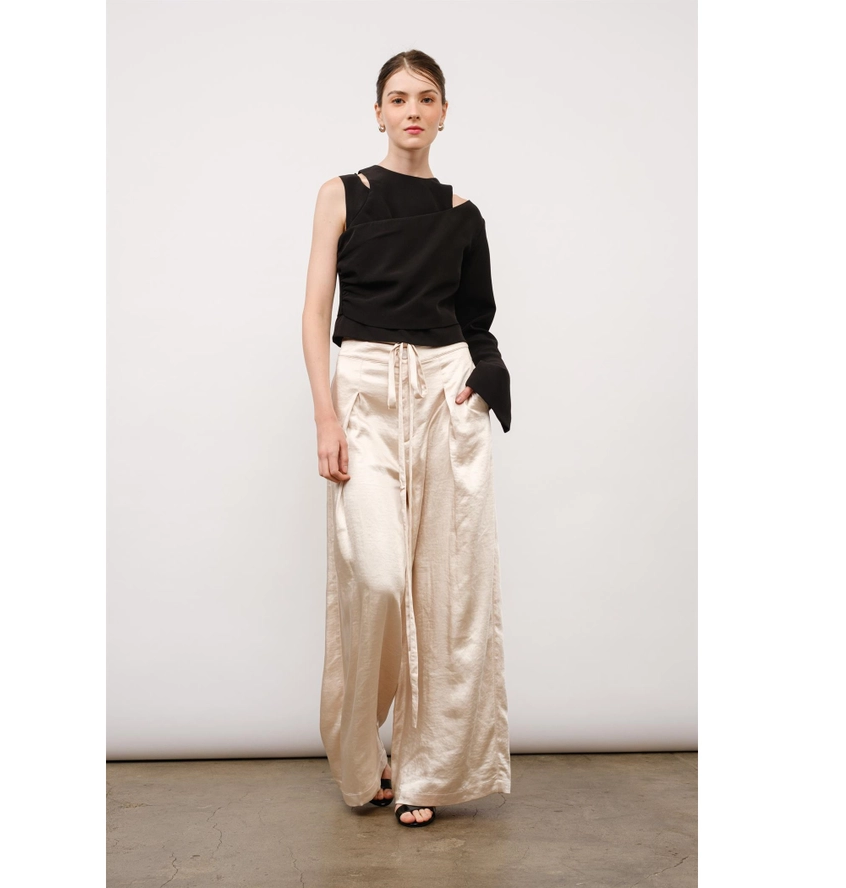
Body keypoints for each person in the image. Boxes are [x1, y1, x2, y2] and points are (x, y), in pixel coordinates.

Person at [301, 50, 512, 829]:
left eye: (426, 98)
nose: (412, 110)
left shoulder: (464, 213)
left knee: (447, 589)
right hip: (363, 391)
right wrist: (327, 417)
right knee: (381, 578)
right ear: (379, 112)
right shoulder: (340, 194)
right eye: (398, 98)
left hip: (442, 392)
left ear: (445, 113)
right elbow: (314, 314)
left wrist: (485, 380)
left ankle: (428, 773)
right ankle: (362, 754)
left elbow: (477, 318)